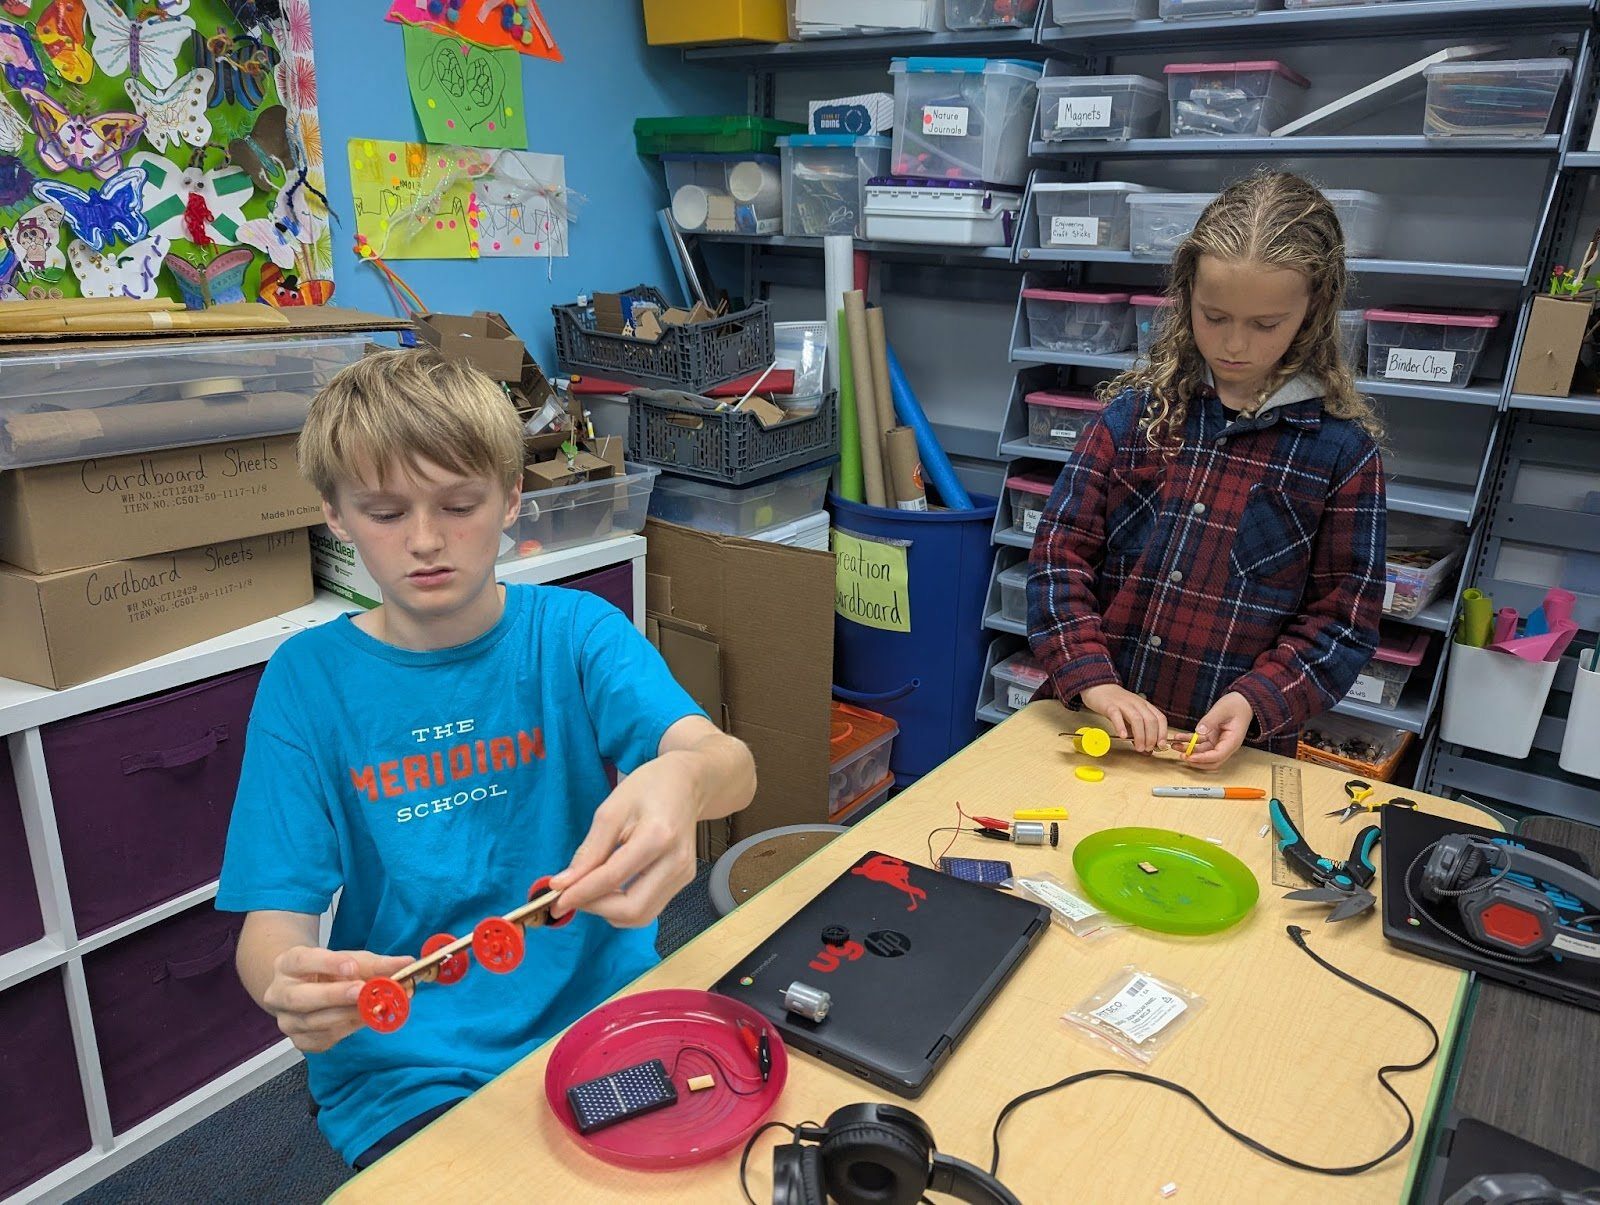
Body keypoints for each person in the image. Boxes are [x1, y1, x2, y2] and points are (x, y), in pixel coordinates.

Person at [216, 349, 756, 1168]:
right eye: (385, 512)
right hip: (409, 1059)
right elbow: (273, 920)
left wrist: (682, 776)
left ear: (510, 501)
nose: (426, 541)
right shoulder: (307, 681)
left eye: (459, 504)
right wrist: (286, 982)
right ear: (335, 515)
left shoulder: (575, 632)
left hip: (599, 1007)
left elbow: (729, 764)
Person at [1027, 172, 1387, 770]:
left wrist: (1257, 700)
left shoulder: (1341, 456)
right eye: (1213, 315)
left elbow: (1343, 619)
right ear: (1186, 292)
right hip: (1093, 732)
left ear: (1314, 310)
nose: (1234, 344)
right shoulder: (1131, 420)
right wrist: (1093, 679)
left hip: (1228, 755)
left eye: (1265, 324)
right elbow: (1057, 557)